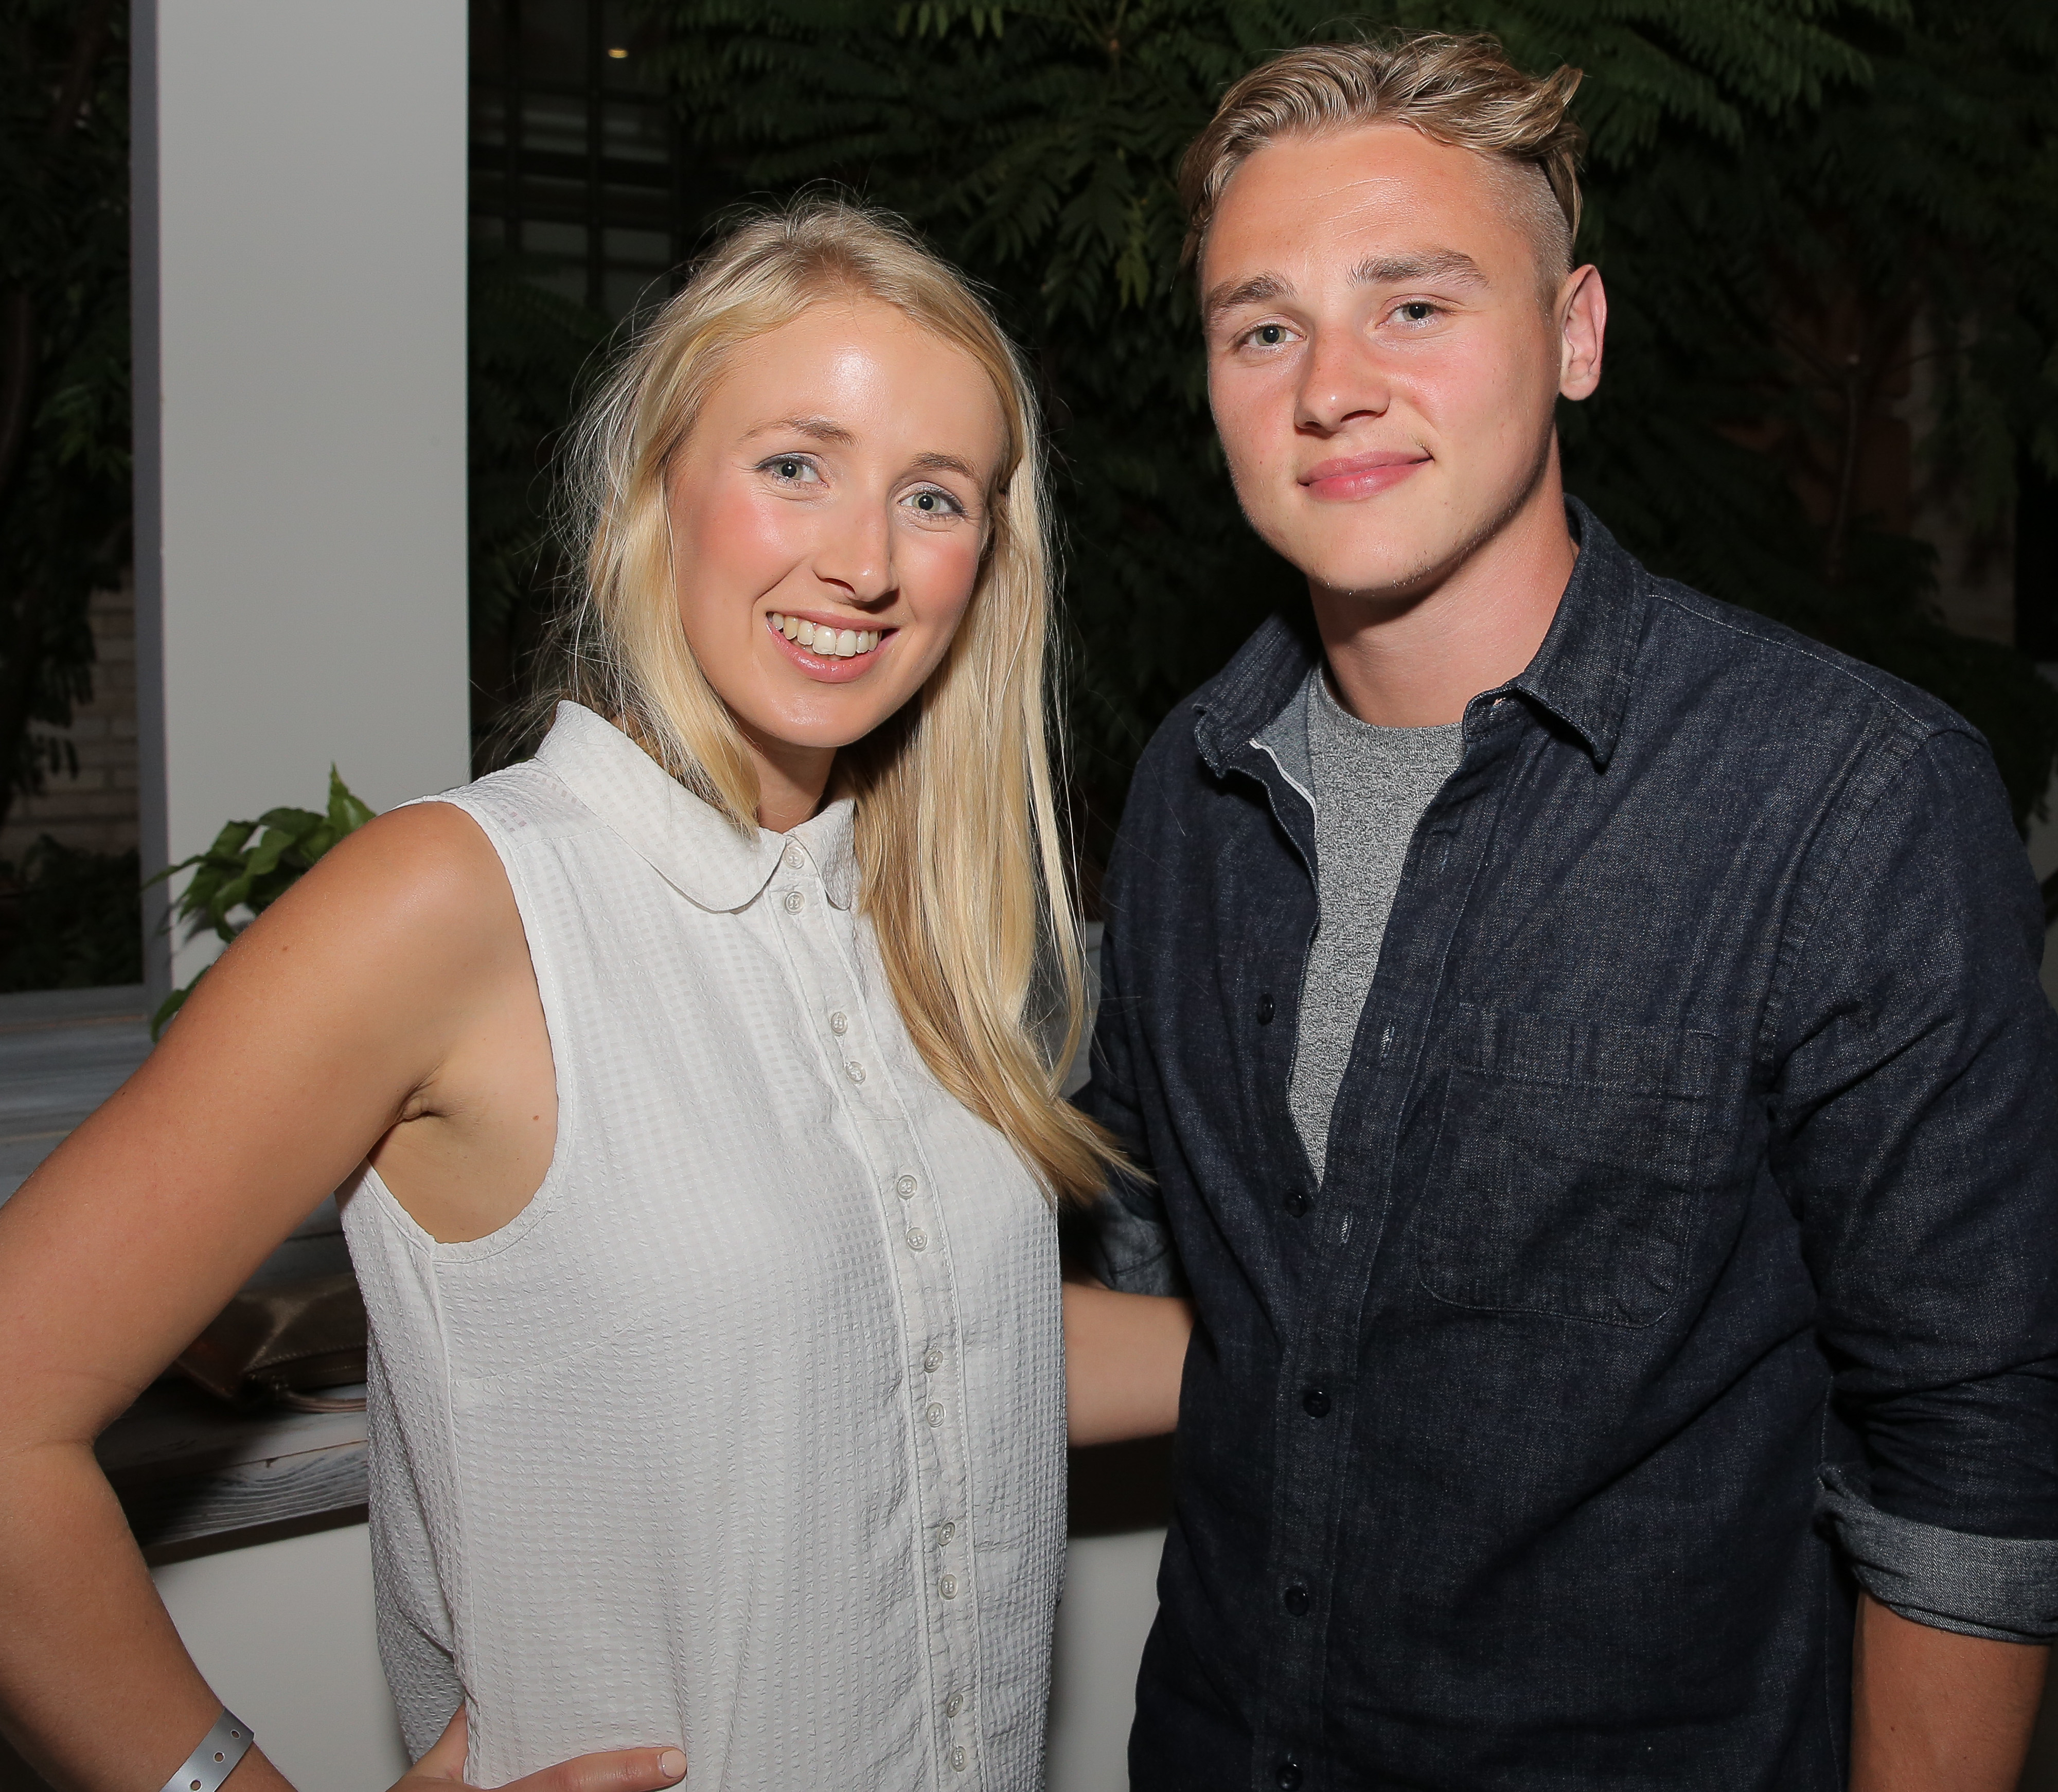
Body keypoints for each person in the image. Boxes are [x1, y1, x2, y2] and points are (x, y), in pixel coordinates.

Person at [0, 199, 1186, 1792]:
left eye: (933, 495)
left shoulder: (901, 924)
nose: (863, 556)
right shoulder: (460, 900)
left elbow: (908, 1335)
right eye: (794, 464)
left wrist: (1329, 1359)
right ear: (658, 487)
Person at [1073, 32, 2058, 1792]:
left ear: (1576, 333)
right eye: (1262, 326)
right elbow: (1183, 1306)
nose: (1332, 386)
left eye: (1416, 306)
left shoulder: (1846, 800)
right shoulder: (1186, 795)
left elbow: (1972, 1456)